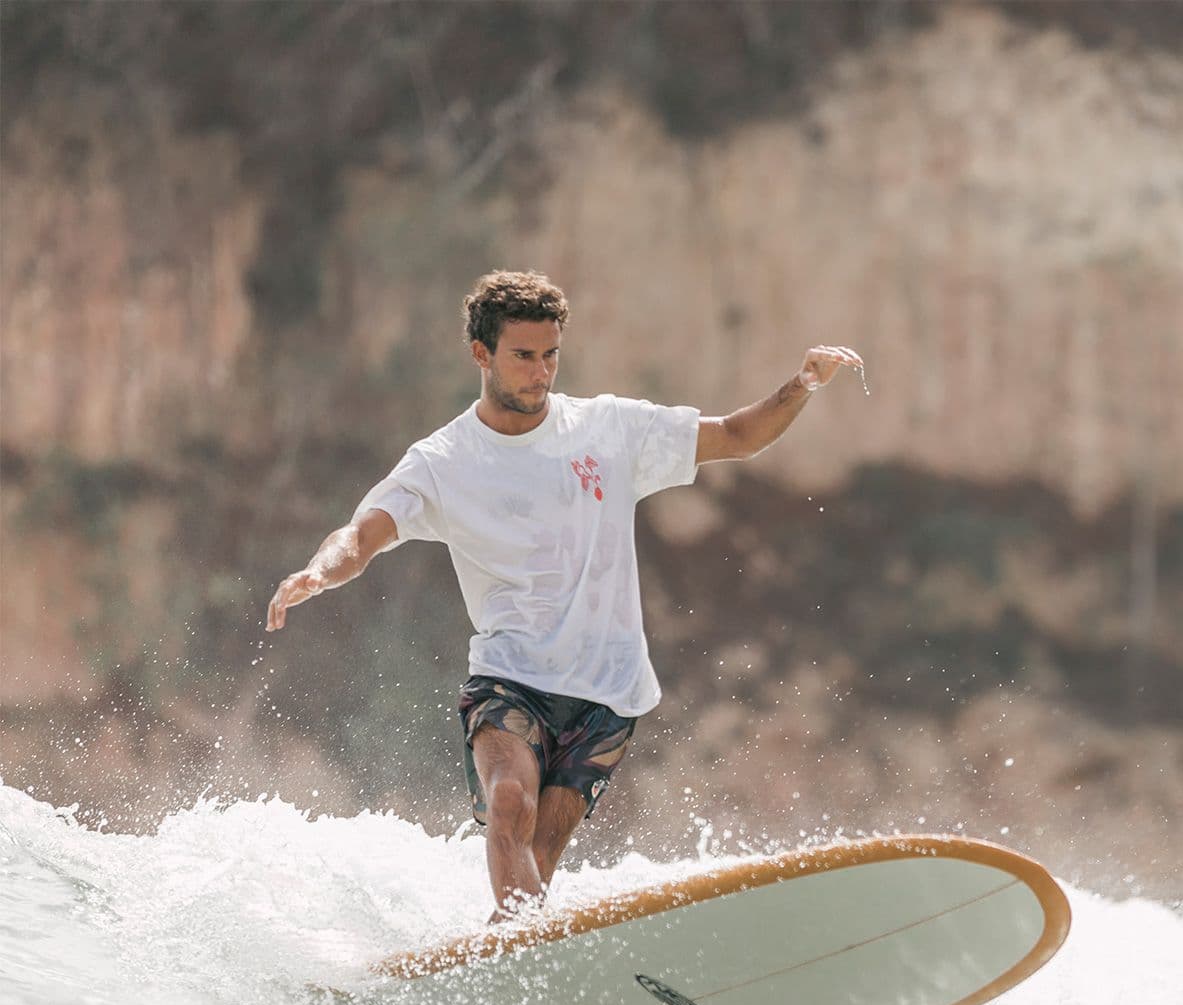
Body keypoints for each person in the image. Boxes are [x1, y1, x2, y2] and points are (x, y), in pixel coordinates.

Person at [264, 269, 861, 920]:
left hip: (606, 694)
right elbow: (362, 534)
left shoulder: (608, 430)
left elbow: (738, 435)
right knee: (510, 804)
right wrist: (320, 572)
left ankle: (502, 965)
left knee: (536, 871)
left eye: (551, 355)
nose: (540, 372)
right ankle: (516, 957)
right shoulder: (443, 461)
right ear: (481, 354)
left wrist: (801, 385)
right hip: (510, 680)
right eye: (523, 356)